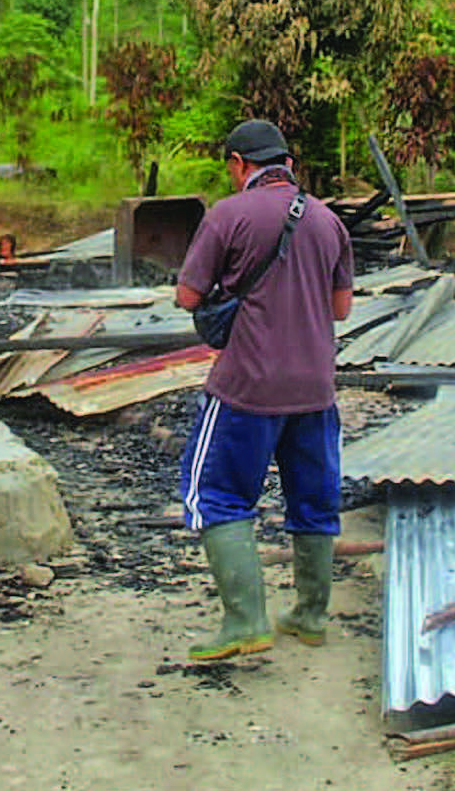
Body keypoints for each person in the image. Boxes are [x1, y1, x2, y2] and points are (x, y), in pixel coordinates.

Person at [174, 119, 354, 661]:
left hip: (247, 386)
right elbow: (340, 308)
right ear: (289, 164)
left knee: (215, 493)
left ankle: (246, 620)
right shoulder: (327, 220)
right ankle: (310, 615)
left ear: (238, 164)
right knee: (314, 500)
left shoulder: (227, 215)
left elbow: (187, 296)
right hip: (316, 388)